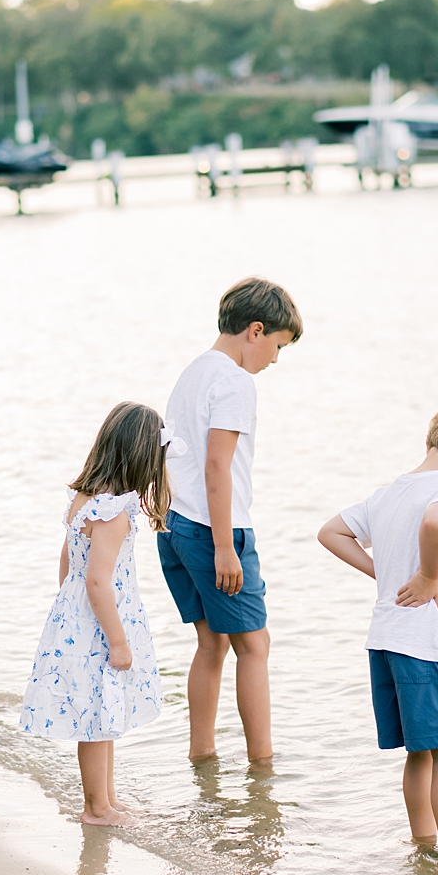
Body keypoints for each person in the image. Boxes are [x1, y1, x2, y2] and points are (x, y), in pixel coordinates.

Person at [317, 400, 438, 875]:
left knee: (419, 751)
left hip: (386, 638)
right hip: (429, 641)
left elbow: (331, 532)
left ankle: (422, 841)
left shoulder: (388, 493)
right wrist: (424, 575)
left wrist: (385, 571)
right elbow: (436, 522)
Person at [157, 277, 302, 764]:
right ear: (255, 331)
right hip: (216, 529)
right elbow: (216, 465)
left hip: (175, 523)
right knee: (255, 644)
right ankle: (263, 766)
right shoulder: (235, 381)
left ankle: (203, 754)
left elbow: (168, 455)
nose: (276, 360)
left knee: (212, 643)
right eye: (278, 346)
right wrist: (224, 547)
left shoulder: (193, 371)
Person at [19, 402, 170, 826]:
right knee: (95, 720)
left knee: (102, 714)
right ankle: (95, 808)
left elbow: (68, 560)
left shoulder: (85, 500)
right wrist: (118, 641)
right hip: (102, 624)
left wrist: (71, 614)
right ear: (143, 459)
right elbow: (99, 581)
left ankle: (107, 798)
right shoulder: (115, 512)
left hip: (81, 619)